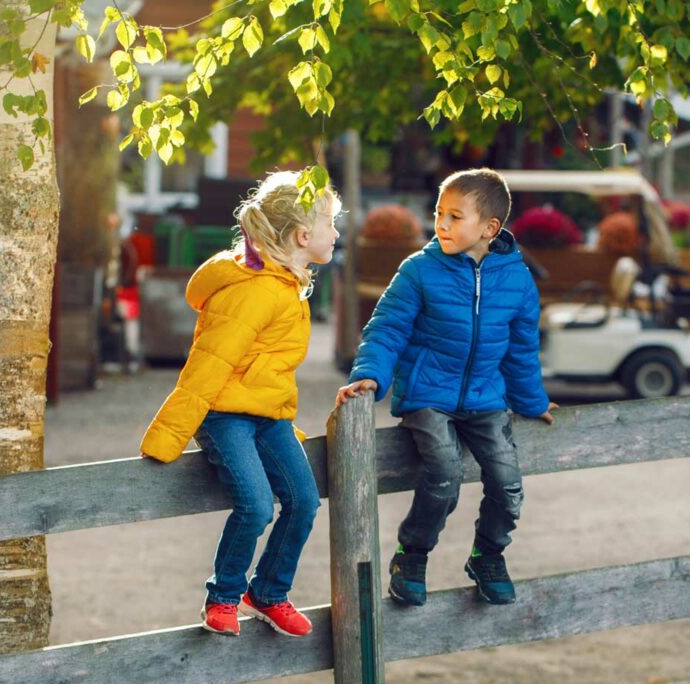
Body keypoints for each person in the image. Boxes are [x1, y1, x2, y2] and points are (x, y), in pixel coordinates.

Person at [336, 168, 557, 606]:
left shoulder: (516, 280)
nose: (441, 224)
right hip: (428, 397)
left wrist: (532, 401)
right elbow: (387, 328)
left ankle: (488, 554)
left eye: (455, 216)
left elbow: (520, 351)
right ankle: (411, 555)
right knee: (444, 473)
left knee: (508, 482)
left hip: (485, 400)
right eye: (439, 213)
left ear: (489, 229)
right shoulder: (419, 270)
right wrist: (371, 374)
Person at [141, 171, 340, 636]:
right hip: (225, 414)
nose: (337, 233)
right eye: (332, 223)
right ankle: (224, 596)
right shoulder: (255, 290)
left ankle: (268, 592)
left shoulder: (287, 282)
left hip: (267, 417)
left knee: (304, 501)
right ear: (303, 236)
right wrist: (169, 432)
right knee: (255, 505)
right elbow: (208, 365)